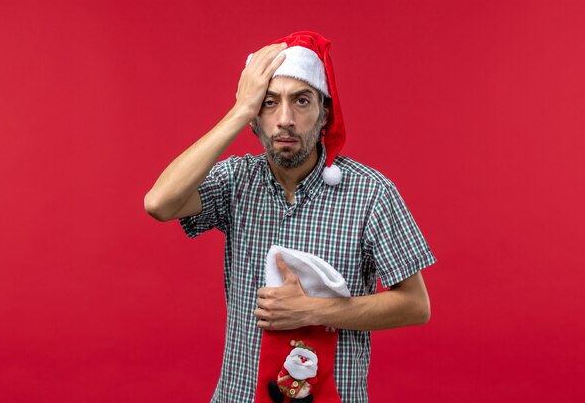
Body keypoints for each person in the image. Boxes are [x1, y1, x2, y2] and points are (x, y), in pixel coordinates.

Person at [144, 31, 436, 403]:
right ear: (254, 117)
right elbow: (159, 203)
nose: (285, 119)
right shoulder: (236, 181)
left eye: (301, 101)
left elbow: (416, 305)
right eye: (269, 103)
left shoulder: (371, 193)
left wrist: (311, 311)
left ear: (324, 112)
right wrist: (239, 110)